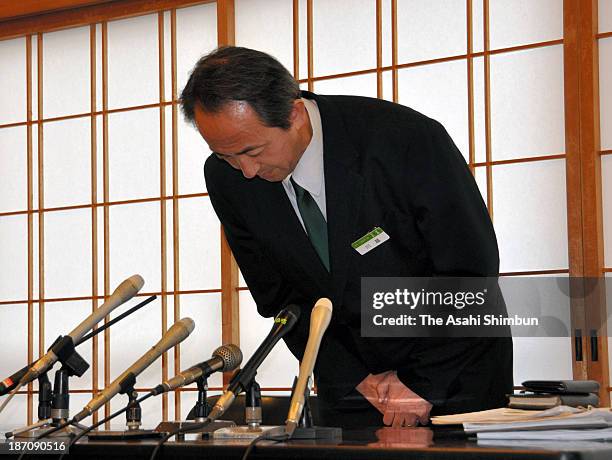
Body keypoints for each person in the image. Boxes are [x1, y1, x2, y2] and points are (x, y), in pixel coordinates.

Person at [180, 46, 513, 428]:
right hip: (355, 390)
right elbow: (281, 301)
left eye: (251, 151)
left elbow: (470, 272)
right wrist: (359, 379)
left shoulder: (403, 140)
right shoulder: (228, 180)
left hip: (456, 375)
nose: (247, 171)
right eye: (226, 156)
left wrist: (422, 383)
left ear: (294, 112)